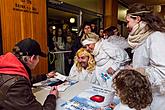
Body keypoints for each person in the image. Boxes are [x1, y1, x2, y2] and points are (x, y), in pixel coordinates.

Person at [126, 3, 165, 110]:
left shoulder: (156, 37)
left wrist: (138, 72)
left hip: (157, 100)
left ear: (137, 19)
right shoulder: (143, 37)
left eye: (127, 21)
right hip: (144, 96)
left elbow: (163, 71)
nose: (126, 25)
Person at [0, 38, 58, 110]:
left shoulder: (8, 68)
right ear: (32, 58)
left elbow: (27, 79)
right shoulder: (17, 85)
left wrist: (46, 76)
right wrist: (52, 96)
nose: (38, 60)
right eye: (38, 57)